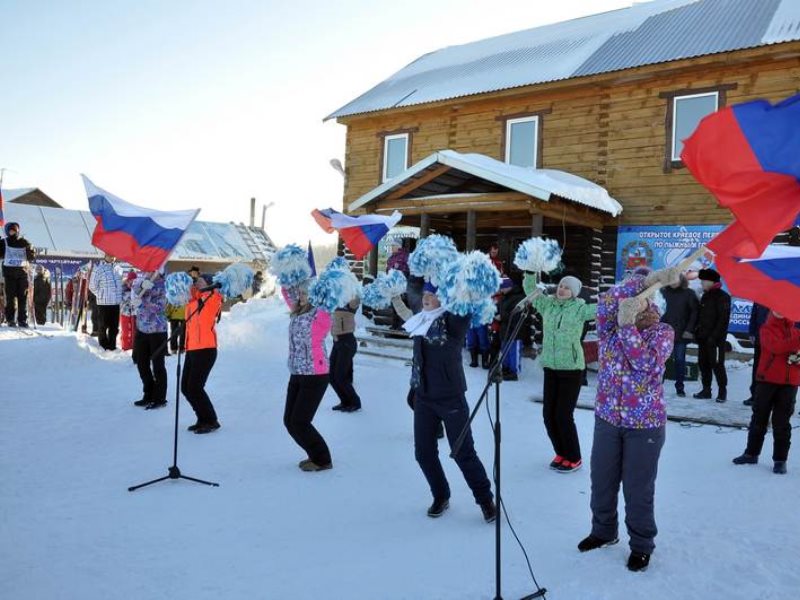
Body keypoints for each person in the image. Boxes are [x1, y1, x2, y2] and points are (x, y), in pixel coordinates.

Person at [578, 266, 677, 573]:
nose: (635, 307)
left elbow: (645, 363)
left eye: (643, 300)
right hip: (608, 420)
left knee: (638, 488)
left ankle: (642, 544)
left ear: (653, 303)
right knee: (602, 481)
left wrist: (628, 326)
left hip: (644, 426)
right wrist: (642, 283)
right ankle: (603, 531)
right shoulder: (610, 327)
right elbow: (607, 299)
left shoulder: (663, 333)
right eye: (632, 301)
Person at [392, 283, 497, 522]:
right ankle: (441, 494)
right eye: (426, 294)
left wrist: (464, 287)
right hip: (424, 397)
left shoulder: (453, 322)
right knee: (423, 453)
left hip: (451, 397)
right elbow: (406, 319)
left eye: (433, 295)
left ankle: (485, 500)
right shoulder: (420, 319)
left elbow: (465, 308)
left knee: (463, 452)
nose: (427, 298)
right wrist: (394, 297)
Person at [524, 274, 597, 473]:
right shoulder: (548, 305)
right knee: (549, 414)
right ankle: (561, 452)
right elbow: (530, 289)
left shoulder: (581, 308)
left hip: (571, 369)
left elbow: (604, 310)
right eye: (561, 285)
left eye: (567, 287)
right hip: (550, 366)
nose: (561, 289)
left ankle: (573, 457)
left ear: (574, 292)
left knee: (563, 415)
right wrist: (531, 268)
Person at [733, 310, 800, 474]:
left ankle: (780, 460)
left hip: (789, 383)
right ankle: (751, 453)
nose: (779, 311)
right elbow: (776, 347)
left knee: (782, 424)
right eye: (775, 308)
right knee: (759, 419)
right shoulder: (766, 329)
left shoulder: (795, 331)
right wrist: (797, 340)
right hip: (767, 381)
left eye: (781, 309)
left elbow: (793, 351)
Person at [281, 281, 333, 472]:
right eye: (301, 293)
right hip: (297, 372)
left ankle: (322, 459)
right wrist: (288, 275)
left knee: (300, 421)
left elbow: (328, 300)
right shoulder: (298, 311)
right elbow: (287, 291)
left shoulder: (321, 315)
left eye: (306, 294)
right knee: (289, 421)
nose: (302, 297)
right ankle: (314, 454)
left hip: (315, 374)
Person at [182, 275, 224, 434]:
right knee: (185, 387)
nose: (196, 282)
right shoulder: (193, 302)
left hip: (206, 350)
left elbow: (216, 295)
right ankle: (202, 418)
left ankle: (211, 420)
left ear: (209, 284)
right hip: (191, 349)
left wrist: (213, 288)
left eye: (200, 281)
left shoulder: (212, 299)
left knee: (195, 387)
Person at [132, 272, 168, 409]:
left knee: (158, 366)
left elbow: (159, 307)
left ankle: (159, 398)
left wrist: (142, 302)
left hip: (157, 330)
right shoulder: (143, 281)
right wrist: (141, 285)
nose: (150, 272)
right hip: (142, 329)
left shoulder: (164, 285)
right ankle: (148, 394)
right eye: (149, 270)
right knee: (142, 364)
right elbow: (134, 288)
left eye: (154, 270)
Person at [693, 268, 731, 402]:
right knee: (703, 364)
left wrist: (714, 337)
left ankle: (722, 391)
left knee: (717, 365)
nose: (702, 283)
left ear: (711, 281)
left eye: (704, 280)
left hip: (716, 340)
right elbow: (701, 317)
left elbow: (723, 320)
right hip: (703, 337)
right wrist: (698, 332)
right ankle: (706, 390)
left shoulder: (723, 297)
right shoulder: (705, 295)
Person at [660, 273, 699, 398]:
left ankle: (680, 387)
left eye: (675, 279)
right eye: (671, 279)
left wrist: (689, 330)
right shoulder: (664, 292)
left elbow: (694, 313)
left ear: (681, 280)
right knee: (660, 360)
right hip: (665, 332)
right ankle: (657, 385)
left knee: (680, 360)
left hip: (681, 333)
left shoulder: (689, 294)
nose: (673, 282)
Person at [330, 296, 362, 413]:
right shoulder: (335, 298)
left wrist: (352, 292)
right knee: (331, 376)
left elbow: (357, 300)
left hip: (347, 342)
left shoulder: (352, 300)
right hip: (336, 342)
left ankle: (355, 402)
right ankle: (345, 401)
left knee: (340, 377)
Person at [0, 222, 35, 327]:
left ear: (18, 231)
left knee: (22, 298)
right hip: (9, 275)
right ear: (7, 231)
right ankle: (10, 319)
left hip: (22, 274)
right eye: (10, 230)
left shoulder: (24, 242)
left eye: (14, 230)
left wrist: (30, 250)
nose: (12, 232)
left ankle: (22, 320)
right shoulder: (4, 242)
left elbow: (32, 256)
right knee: (10, 298)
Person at [88, 254, 123, 350]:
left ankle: (112, 346)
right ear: (105, 256)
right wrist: (101, 294)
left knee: (114, 327)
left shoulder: (119, 269)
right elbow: (92, 286)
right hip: (104, 303)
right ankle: (103, 345)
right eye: (109, 255)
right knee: (103, 326)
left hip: (115, 303)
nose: (112, 257)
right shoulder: (99, 268)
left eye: (113, 255)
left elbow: (120, 285)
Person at [496, 275, 526, 381]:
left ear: (508, 287)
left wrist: (502, 316)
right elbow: (500, 309)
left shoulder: (519, 298)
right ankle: (506, 368)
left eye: (502, 287)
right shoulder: (504, 297)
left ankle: (514, 372)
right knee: (505, 350)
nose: (500, 290)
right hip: (504, 329)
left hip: (515, 330)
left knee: (514, 352)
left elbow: (516, 315)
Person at [744, 303, 770, 406]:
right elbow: (754, 315)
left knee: (769, 369)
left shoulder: (781, 296)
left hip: (773, 341)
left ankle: (767, 398)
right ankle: (755, 395)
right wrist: (751, 332)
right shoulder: (760, 296)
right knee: (757, 368)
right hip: (759, 339)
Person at [119, 271, 137, 353]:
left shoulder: (137, 288)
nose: (132, 282)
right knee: (125, 329)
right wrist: (130, 296)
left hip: (134, 312)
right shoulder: (122, 287)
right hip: (125, 312)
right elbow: (121, 298)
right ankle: (125, 346)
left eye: (134, 280)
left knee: (134, 330)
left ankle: (134, 345)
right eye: (131, 280)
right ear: (128, 280)